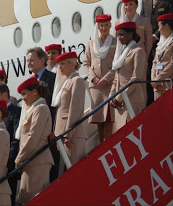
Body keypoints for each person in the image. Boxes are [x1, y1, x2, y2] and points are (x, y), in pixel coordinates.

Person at [15, 77, 54, 204]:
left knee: (35, 200)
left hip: (38, 160)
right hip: (31, 160)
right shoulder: (32, 109)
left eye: (24, 94)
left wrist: (19, 158)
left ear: (35, 92)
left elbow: (33, 137)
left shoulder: (40, 108)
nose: (23, 98)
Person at [26, 47, 58, 182]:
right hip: (36, 130)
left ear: (42, 60)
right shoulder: (30, 82)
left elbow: (56, 105)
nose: (29, 63)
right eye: (27, 61)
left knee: (52, 167)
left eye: (32, 60)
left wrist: (54, 128)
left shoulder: (52, 78)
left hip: (49, 131)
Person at [140, 0, 173, 105]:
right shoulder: (147, 1)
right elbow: (143, 22)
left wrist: (156, 36)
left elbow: (170, 21)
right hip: (149, 46)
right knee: (149, 76)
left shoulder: (169, 0)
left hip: (164, 44)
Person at [83, 14, 116, 142]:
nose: (104, 28)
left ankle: (109, 144)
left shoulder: (115, 41)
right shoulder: (91, 43)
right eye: (101, 25)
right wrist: (94, 79)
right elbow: (86, 63)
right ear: (98, 26)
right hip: (96, 87)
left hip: (109, 85)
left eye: (106, 25)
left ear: (110, 25)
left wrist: (107, 78)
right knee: (99, 121)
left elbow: (117, 63)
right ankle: (102, 145)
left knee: (109, 118)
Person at [109, 22, 146, 132]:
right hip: (119, 101)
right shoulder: (122, 53)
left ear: (131, 34)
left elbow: (136, 79)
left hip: (131, 99)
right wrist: (112, 97)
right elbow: (117, 77)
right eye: (118, 35)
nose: (119, 38)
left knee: (132, 132)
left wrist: (119, 97)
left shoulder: (138, 51)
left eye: (122, 34)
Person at [52, 52, 87, 166]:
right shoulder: (66, 82)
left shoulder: (77, 80)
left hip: (73, 134)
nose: (60, 67)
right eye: (59, 65)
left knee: (76, 169)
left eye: (63, 64)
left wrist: (68, 134)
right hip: (63, 134)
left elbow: (75, 109)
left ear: (72, 64)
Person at [151, 13, 173, 99]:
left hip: (168, 84)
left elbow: (172, 64)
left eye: (159, 26)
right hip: (157, 86)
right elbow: (155, 62)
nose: (158, 30)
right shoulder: (160, 44)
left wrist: (159, 78)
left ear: (166, 26)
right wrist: (153, 79)